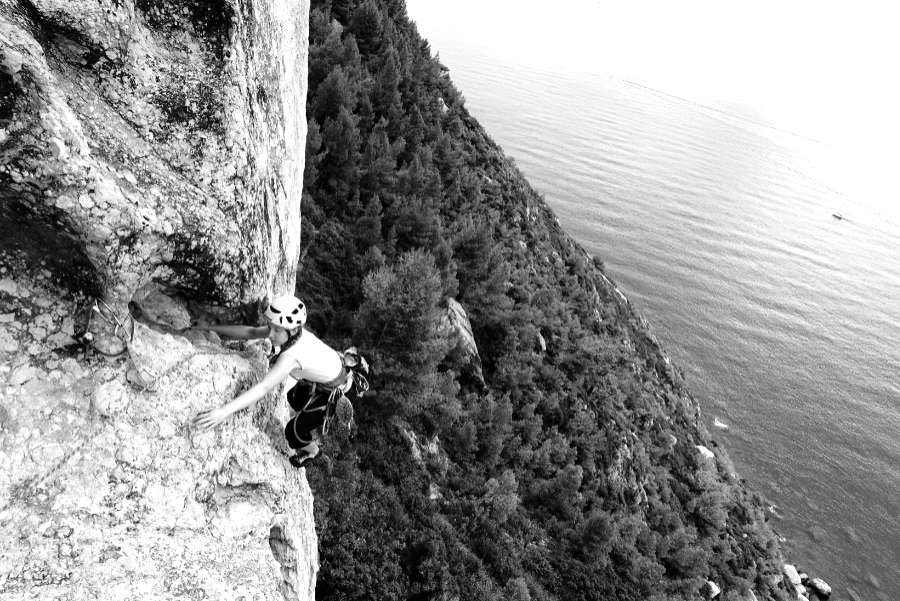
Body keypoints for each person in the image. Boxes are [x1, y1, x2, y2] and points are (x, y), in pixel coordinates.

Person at [192, 294, 369, 468]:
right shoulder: (292, 334)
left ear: (292, 330)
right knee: (293, 398)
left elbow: (263, 388)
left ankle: (314, 451)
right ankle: (307, 406)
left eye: (276, 329)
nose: (270, 333)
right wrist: (209, 327)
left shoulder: (292, 356)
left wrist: (223, 412)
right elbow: (252, 332)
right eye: (270, 326)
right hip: (327, 376)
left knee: (294, 433)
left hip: (338, 390)